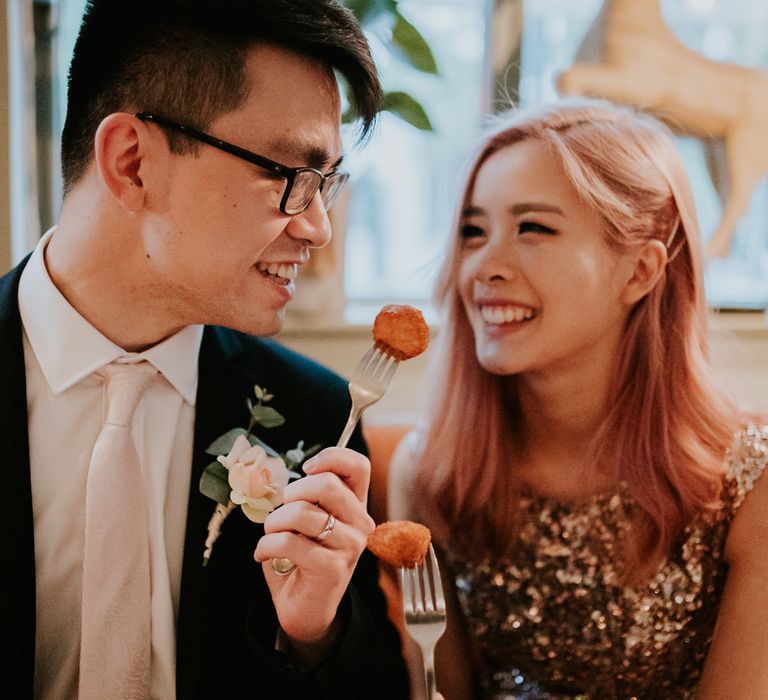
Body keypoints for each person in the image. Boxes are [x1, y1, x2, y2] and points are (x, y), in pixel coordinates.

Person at [0, 0, 410, 697]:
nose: (318, 228)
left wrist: (314, 639)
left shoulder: (316, 415)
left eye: (327, 182)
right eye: (290, 175)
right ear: (131, 162)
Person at [389, 97, 768, 699]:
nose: (484, 266)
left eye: (533, 228)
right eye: (472, 231)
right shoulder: (428, 471)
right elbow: (437, 687)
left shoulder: (751, 484)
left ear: (641, 272)